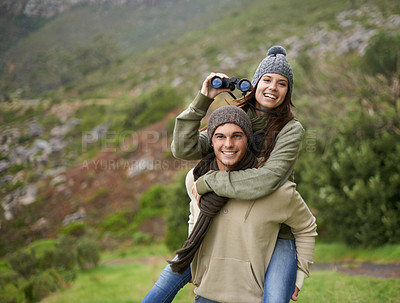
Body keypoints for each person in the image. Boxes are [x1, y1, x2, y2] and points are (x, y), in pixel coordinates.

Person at [142, 46, 308, 302]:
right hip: (222, 213)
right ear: (254, 83)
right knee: (162, 288)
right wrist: (203, 99)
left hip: (274, 226)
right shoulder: (236, 118)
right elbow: (184, 149)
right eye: (267, 80)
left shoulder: (291, 129)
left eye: (282, 83)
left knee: (274, 299)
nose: (273, 87)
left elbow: (268, 179)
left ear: (288, 91)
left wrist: (209, 181)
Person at [184, 105, 317, 303]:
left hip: (252, 296)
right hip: (207, 294)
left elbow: (306, 226)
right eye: (220, 136)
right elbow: (194, 217)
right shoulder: (196, 180)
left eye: (237, 136)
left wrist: (299, 277)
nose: (228, 144)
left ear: (248, 141)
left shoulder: (279, 192)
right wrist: (195, 264)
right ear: (211, 142)